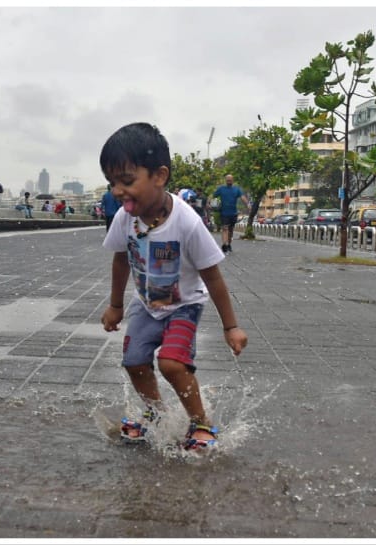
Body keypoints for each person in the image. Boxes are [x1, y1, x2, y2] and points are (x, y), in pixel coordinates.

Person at [99, 122, 248, 451]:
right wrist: (115, 305)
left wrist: (231, 326)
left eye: (127, 181)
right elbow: (121, 260)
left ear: (160, 176)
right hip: (146, 305)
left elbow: (213, 276)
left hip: (183, 306)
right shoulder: (126, 218)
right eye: (112, 183)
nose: (118, 191)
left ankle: (200, 422)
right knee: (134, 361)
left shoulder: (187, 222)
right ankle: (156, 413)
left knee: (171, 363)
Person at [212, 174, 249, 253]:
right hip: (224, 213)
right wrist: (208, 202)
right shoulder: (221, 189)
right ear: (226, 180)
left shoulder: (237, 189)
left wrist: (248, 205)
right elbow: (213, 195)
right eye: (227, 180)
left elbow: (243, 197)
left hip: (233, 213)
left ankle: (229, 244)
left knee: (231, 230)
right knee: (225, 228)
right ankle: (224, 245)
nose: (229, 181)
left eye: (230, 180)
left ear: (233, 180)